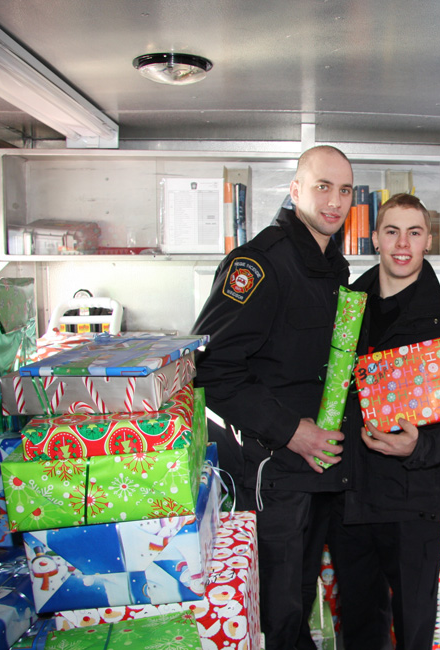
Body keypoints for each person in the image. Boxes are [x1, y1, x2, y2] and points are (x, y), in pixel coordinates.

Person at [191, 145, 355, 650]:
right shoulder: (260, 263)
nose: (334, 201)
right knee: (278, 610)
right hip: (275, 469)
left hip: (322, 469)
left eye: (345, 190)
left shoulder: (333, 266)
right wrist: (293, 431)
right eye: (322, 187)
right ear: (295, 190)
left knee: (300, 598)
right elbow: (210, 368)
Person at [326, 193, 440, 650]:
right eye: (392, 231)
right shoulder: (346, 310)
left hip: (413, 502)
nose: (402, 244)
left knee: (414, 630)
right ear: (375, 238)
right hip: (349, 495)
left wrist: (419, 448)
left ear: (428, 240)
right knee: (359, 627)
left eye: (414, 232)